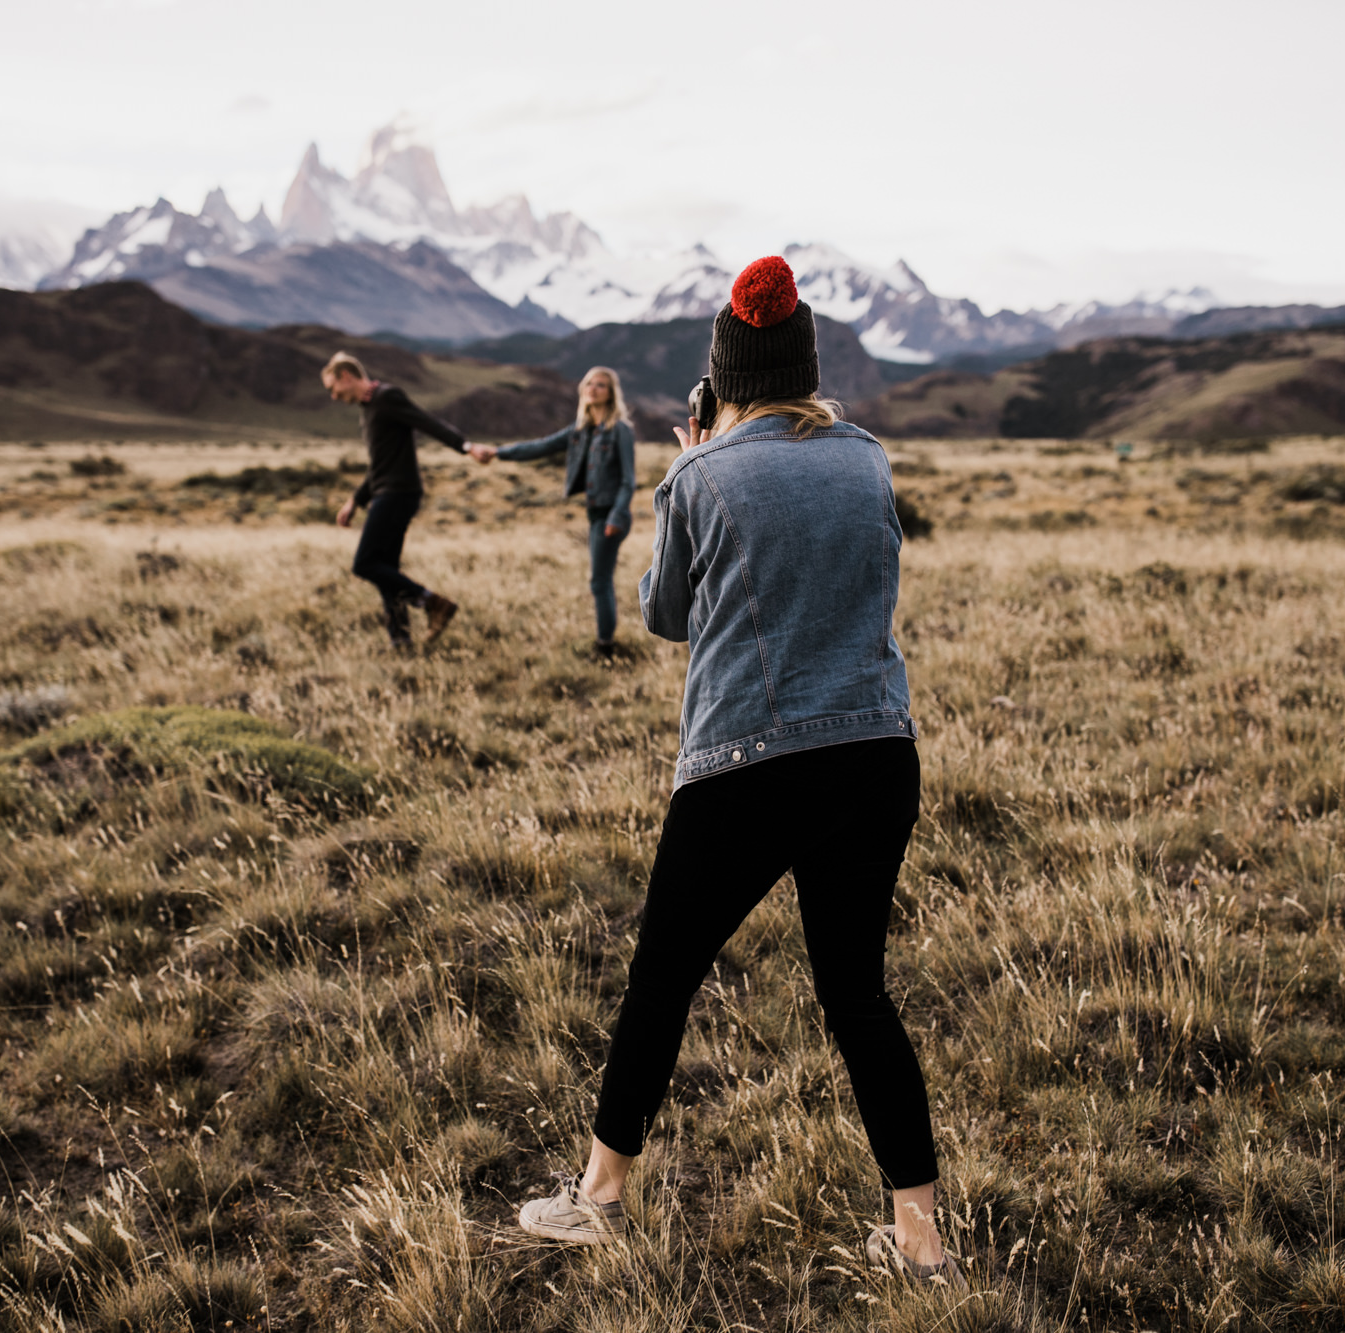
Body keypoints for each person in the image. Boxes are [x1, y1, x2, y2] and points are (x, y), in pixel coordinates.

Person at [515, 257, 963, 1291]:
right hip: (874, 754)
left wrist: (694, 466)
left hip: (746, 762)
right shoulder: (868, 461)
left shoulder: (700, 475)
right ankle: (921, 1244)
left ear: (722, 383)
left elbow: (665, 614)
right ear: (803, 369)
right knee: (857, 996)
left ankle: (600, 1198)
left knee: (661, 980)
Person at [469, 367, 636, 658]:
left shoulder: (619, 430)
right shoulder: (580, 432)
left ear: (611, 393)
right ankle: (605, 643)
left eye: (601, 385)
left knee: (599, 581)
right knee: (600, 579)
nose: (593, 389)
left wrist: (617, 515)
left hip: (612, 516)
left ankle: (606, 648)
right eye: (589, 384)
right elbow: (539, 447)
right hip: (596, 513)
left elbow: (628, 480)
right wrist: (498, 453)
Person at [324, 351, 474, 649]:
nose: (333, 396)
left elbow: (426, 422)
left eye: (333, 388)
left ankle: (433, 603)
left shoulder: (387, 397)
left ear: (346, 376)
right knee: (386, 570)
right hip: (387, 490)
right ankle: (401, 641)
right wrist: (355, 500)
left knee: (365, 563)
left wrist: (464, 445)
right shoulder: (369, 408)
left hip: (398, 493)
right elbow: (380, 464)